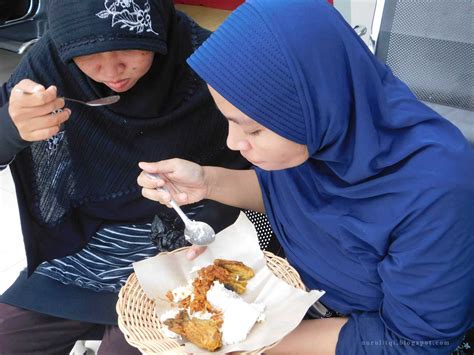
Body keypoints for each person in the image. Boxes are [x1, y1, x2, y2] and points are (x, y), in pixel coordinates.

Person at [138, 0, 474, 353]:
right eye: (230, 121)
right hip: (294, 295)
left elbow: (413, 343)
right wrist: (208, 182)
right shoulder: (328, 133)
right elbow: (284, 196)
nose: (232, 143)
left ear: (317, 107)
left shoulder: (438, 195)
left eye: (252, 131)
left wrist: (252, 343)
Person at [0, 0, 248, 353]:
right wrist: (11, 129)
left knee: (132, 346)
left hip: (193, 244)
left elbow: (266, 169)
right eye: (90, 54)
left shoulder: (208, 59)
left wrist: (211, 215)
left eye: (130, 48)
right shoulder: (51, 63)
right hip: (87, 247)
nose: (111, 71)